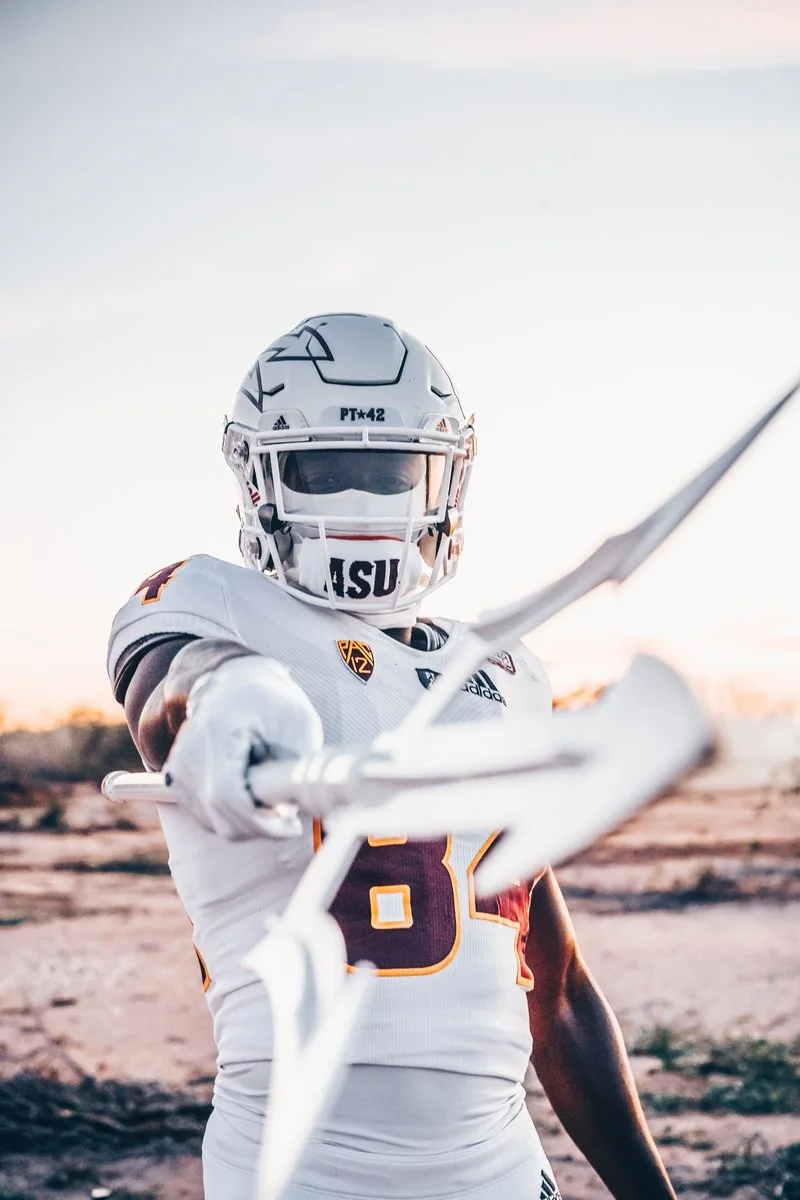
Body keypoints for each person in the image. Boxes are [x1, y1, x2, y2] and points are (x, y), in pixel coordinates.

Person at [108, 313, 676, 1200]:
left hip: (502, 1170)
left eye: (394, 467)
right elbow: (164, 686)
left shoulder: (503, 669)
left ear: (442, 476)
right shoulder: (213, 603)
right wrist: (226, 700)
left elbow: (555, 990)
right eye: (325, 467)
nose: (366, 498)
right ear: (260, 479)